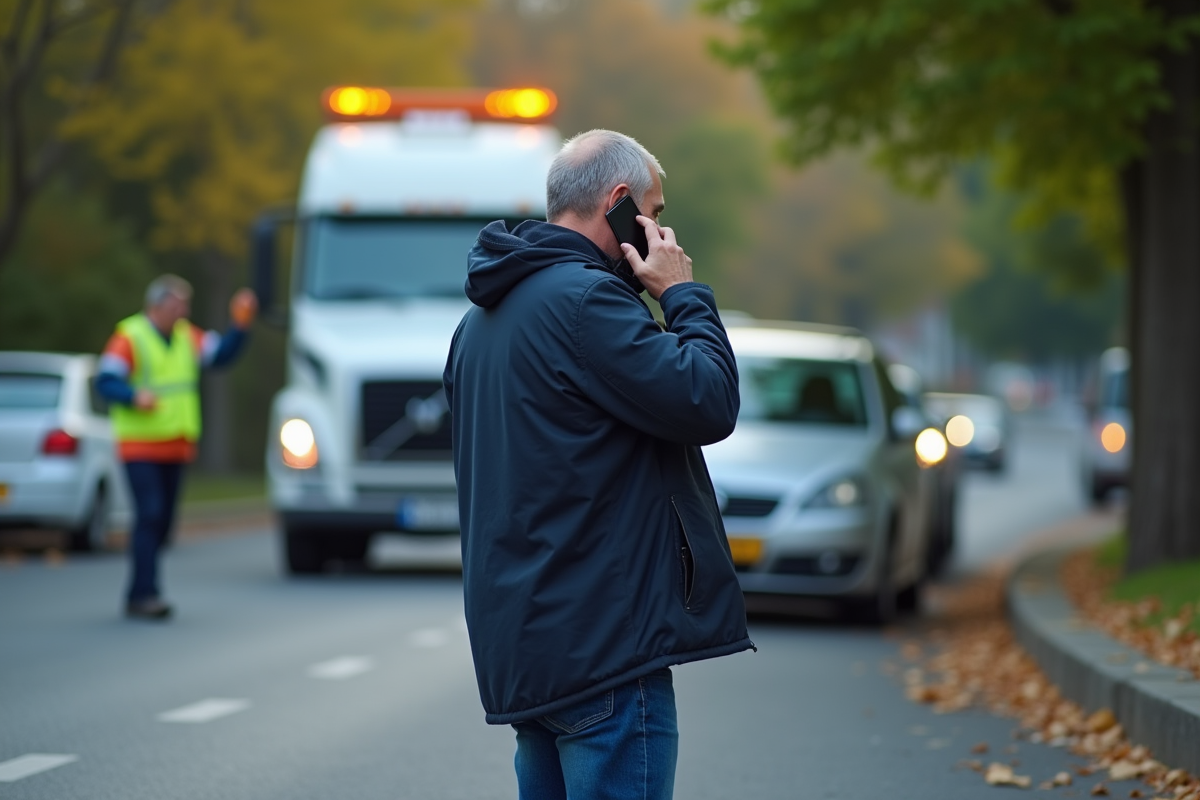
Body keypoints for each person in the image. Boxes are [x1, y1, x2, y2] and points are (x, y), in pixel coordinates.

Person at [443, 129, 753, 799]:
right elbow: (708, 400)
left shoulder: (478, 323)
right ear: (618, 203)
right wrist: (681, 294)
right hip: (606, 649)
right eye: (653, 213)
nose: (660, 232)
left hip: (530, 654)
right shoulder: (587, 303)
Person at [97, 275, 257, 620]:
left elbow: (221, 357)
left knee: (164, 524)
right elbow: (106, 380)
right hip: (140, 445)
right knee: (150, 514)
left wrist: (241, 325)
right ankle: (145, 594)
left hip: (176, 445)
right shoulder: (131, 336)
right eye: (177, 305)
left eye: (185, 305)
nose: (183, 311)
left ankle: (141, 589)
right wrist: (132, 395)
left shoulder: (187, 336)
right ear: (157, 305)